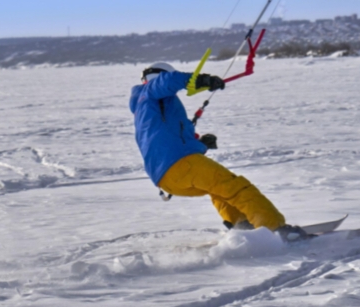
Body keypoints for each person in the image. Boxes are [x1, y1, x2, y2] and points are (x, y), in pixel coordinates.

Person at [129, 62, 307, 240]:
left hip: (167, 179)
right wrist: (201, 80)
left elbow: (169, 139)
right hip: (181, 163)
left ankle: (242, 225)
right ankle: (275, 230)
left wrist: (201, 144)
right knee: (236, 188)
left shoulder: (146, 108)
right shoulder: (149, 92)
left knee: (219, 190)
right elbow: (167, 81)